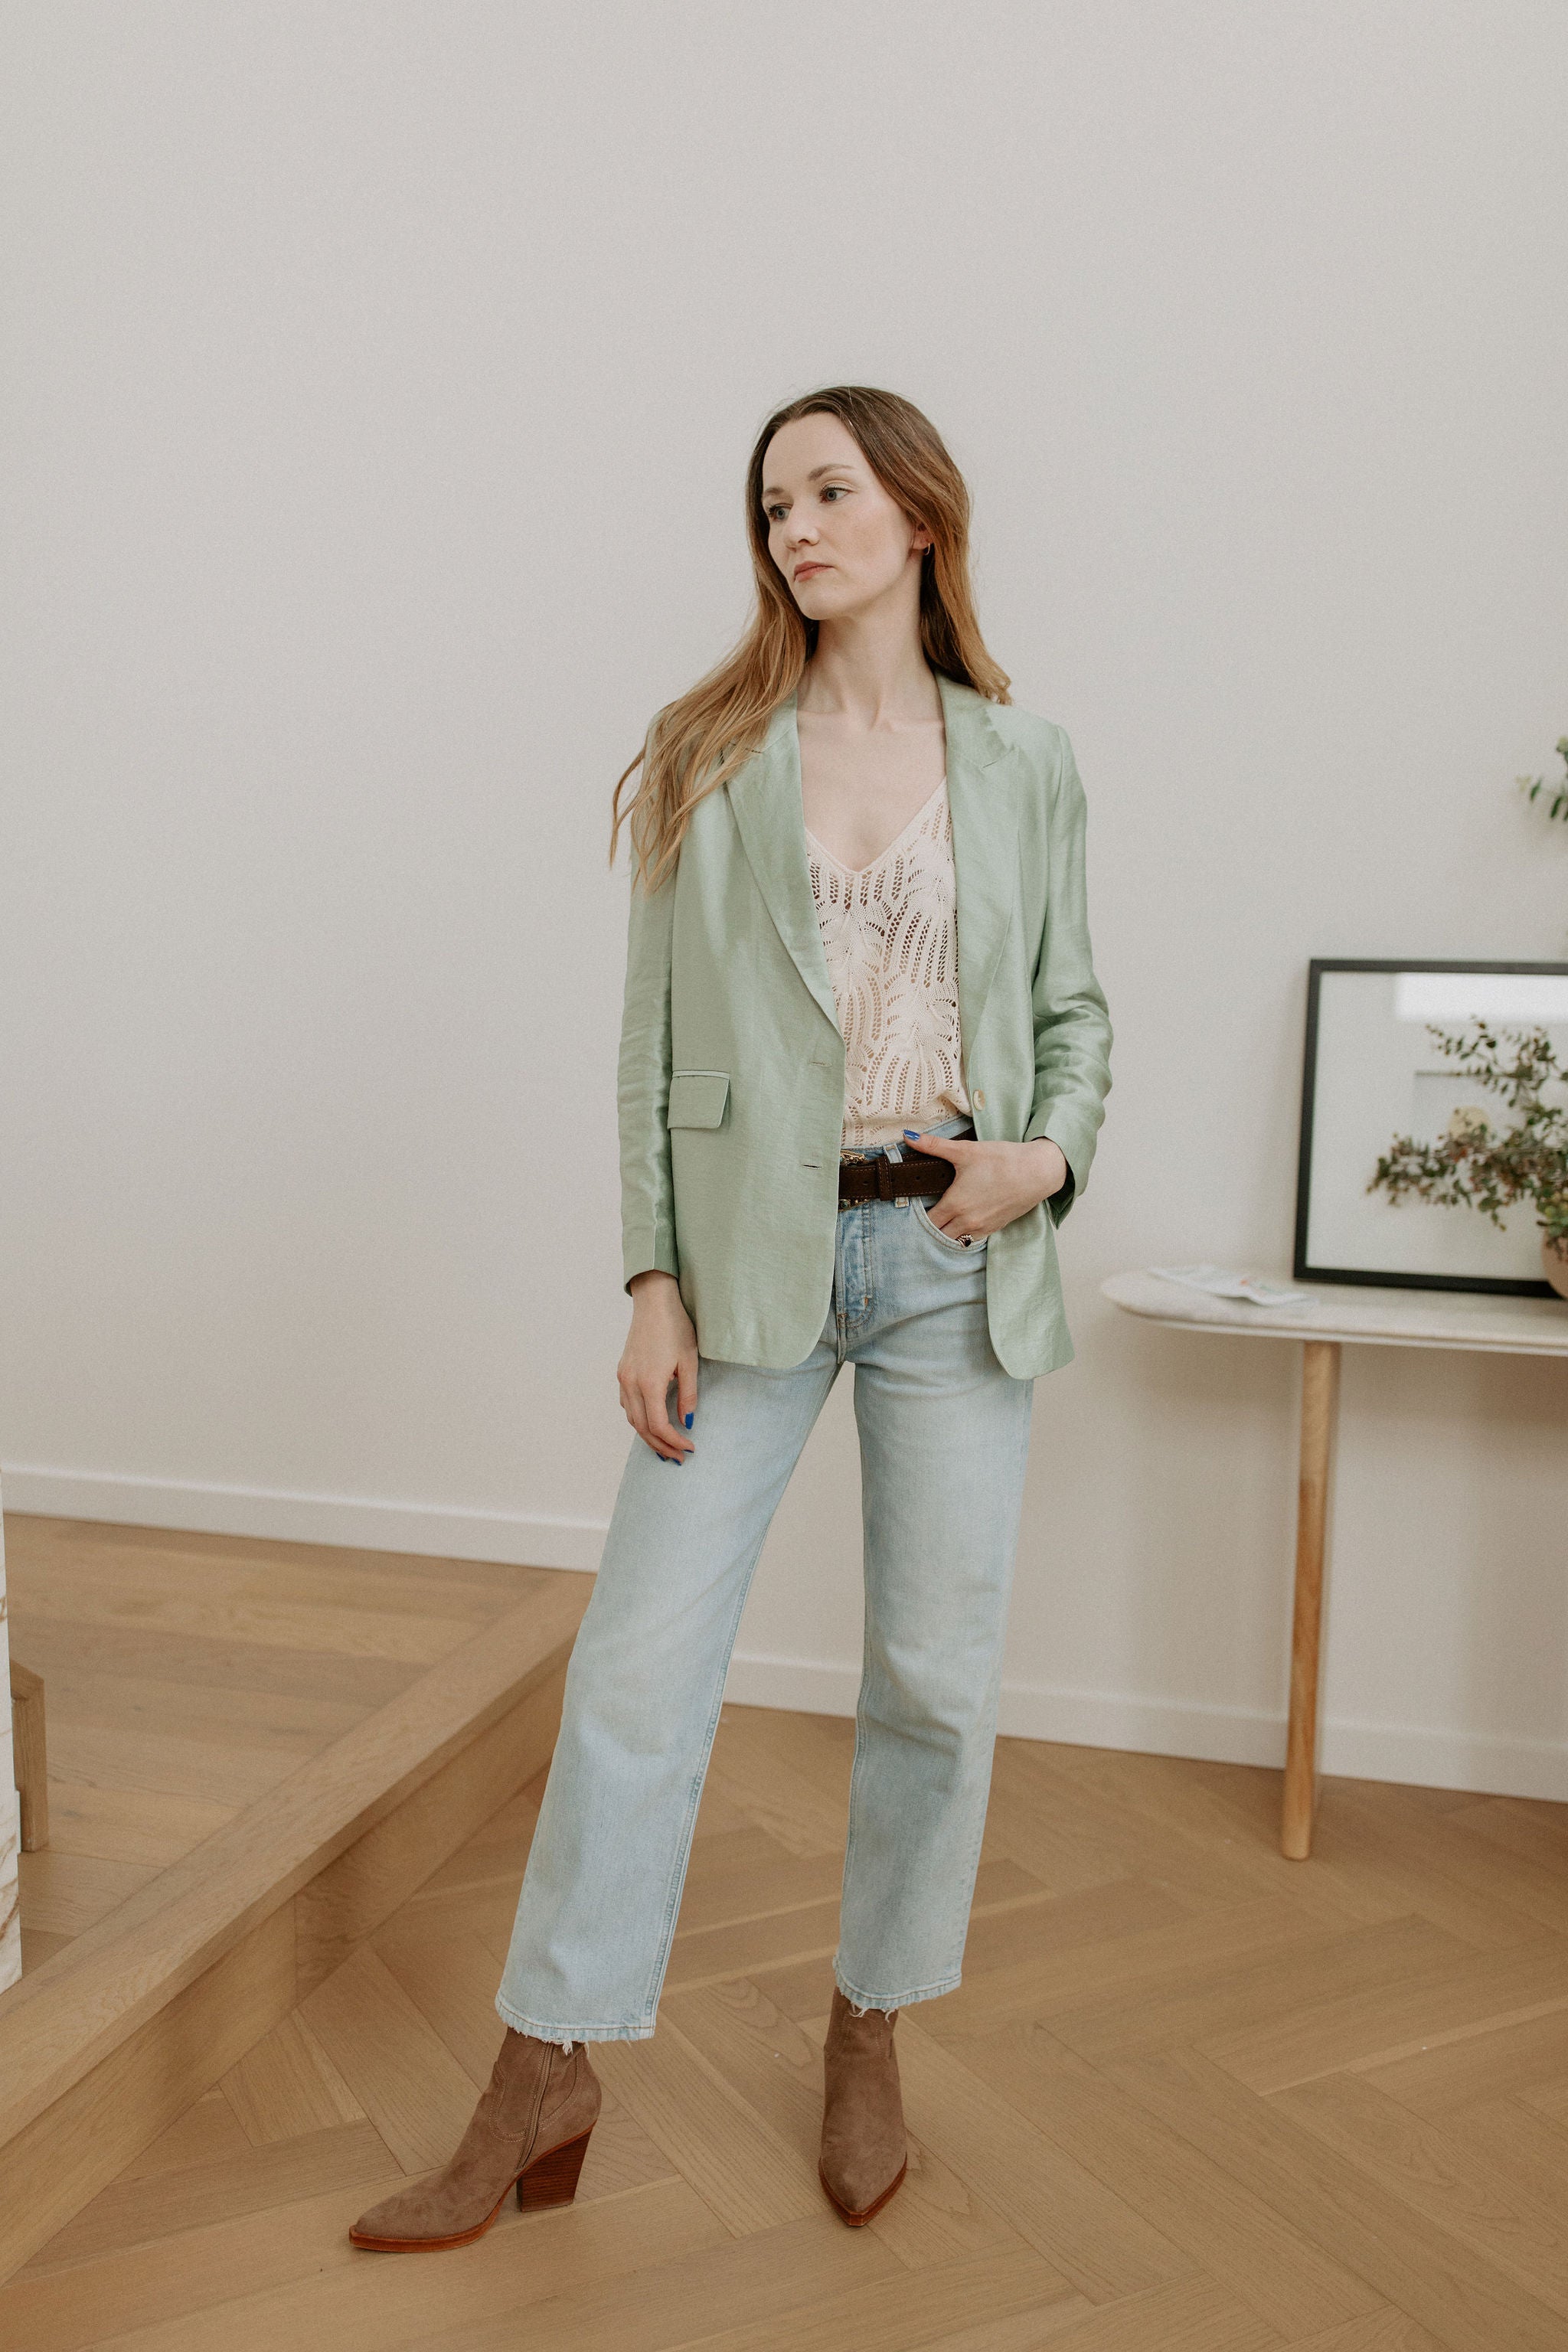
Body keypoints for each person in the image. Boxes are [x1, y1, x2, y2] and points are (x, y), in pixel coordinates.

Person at [350, 384, 1112, 2253]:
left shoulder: (1026, 761)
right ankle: (544, 2068)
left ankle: (869, 2028)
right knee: (634, 1675)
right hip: (750, 1263)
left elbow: (1075, 1015)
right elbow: (650, 1044)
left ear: (917, 516)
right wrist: (651, 1277)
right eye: (773, 504)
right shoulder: (708, 748)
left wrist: (1042, 1159)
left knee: (930, 1676)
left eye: (830, 492)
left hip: (949, 1259)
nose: (796, 528)